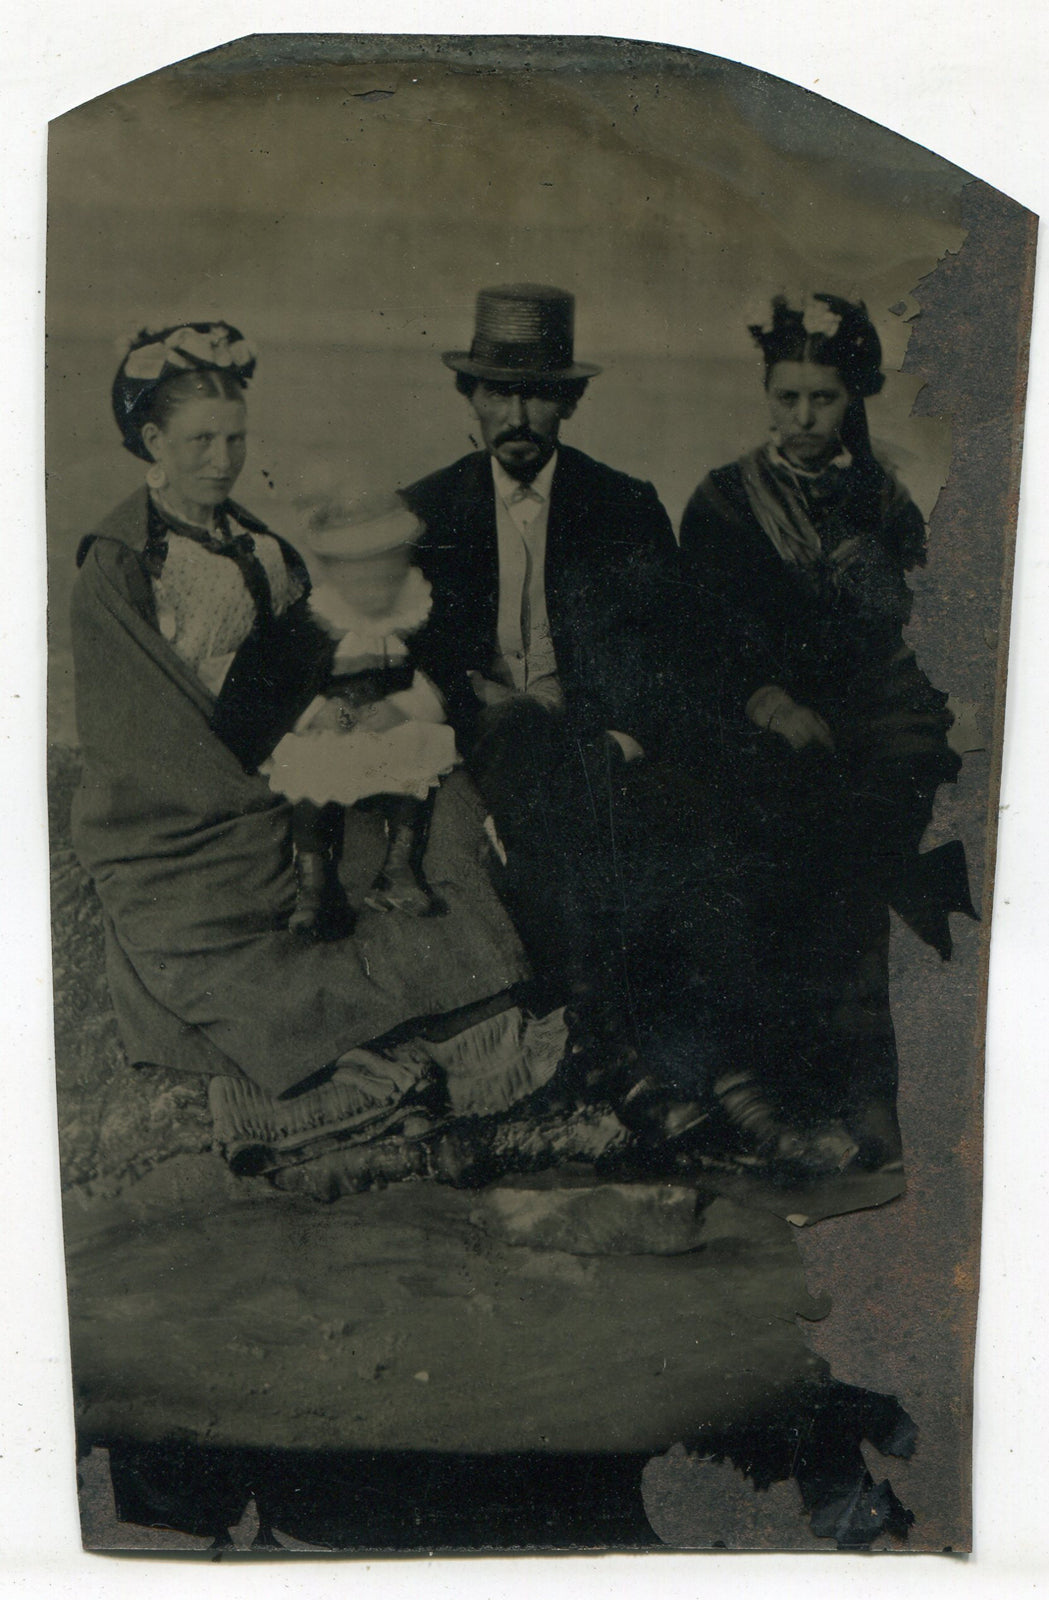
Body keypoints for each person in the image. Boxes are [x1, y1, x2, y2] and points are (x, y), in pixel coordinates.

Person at [70, 321, 568, 1126]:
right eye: (199, 441)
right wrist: (263, 775)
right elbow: (135, 725)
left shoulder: (262, 547)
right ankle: (341, 1080)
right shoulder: (122, 564)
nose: (222, 460)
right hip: (190, 798)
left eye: (234, 438)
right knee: (303, 888)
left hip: (289, 751)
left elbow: (319, 653)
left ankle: (482, 1042)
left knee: (437, 811)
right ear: (153, 441)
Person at [677, 293, 974, 1168]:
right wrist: (770, 702)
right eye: (788, 399)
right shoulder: (724, 500)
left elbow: (919, 627)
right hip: (758, 715)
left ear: (851, 401)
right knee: (787, 836)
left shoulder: (880, 497)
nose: (805, 417)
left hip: (870, 711)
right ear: (767, 399)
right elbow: (702, 639)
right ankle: (790, 1085)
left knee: (907, 809)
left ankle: (880, 1081)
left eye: (824, 399)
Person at [400, 284, 680, 996]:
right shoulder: (426, 511)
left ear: (570, 402)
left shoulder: (625, 507)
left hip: (588, 736)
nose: (517, 417)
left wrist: (619, 738)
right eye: (499, 393)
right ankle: (587, 1006)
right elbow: (416, 653)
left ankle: (581, 1003)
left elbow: (666, 652)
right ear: (470, 396)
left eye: (538, 395)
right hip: (479, 736)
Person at [263, 489, 458, 939]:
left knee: (418, 749)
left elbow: (444, 673)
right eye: (356, 574)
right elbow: (276, 683)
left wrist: (403, 709)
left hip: (387, 725)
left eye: (385, 571)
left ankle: (398, 869)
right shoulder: (316, 618)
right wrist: (316, 712)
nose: (372, 587)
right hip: (333, 730)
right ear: (333, 570)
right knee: (310, 771)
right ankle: (313, 887)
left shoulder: (416, 611)